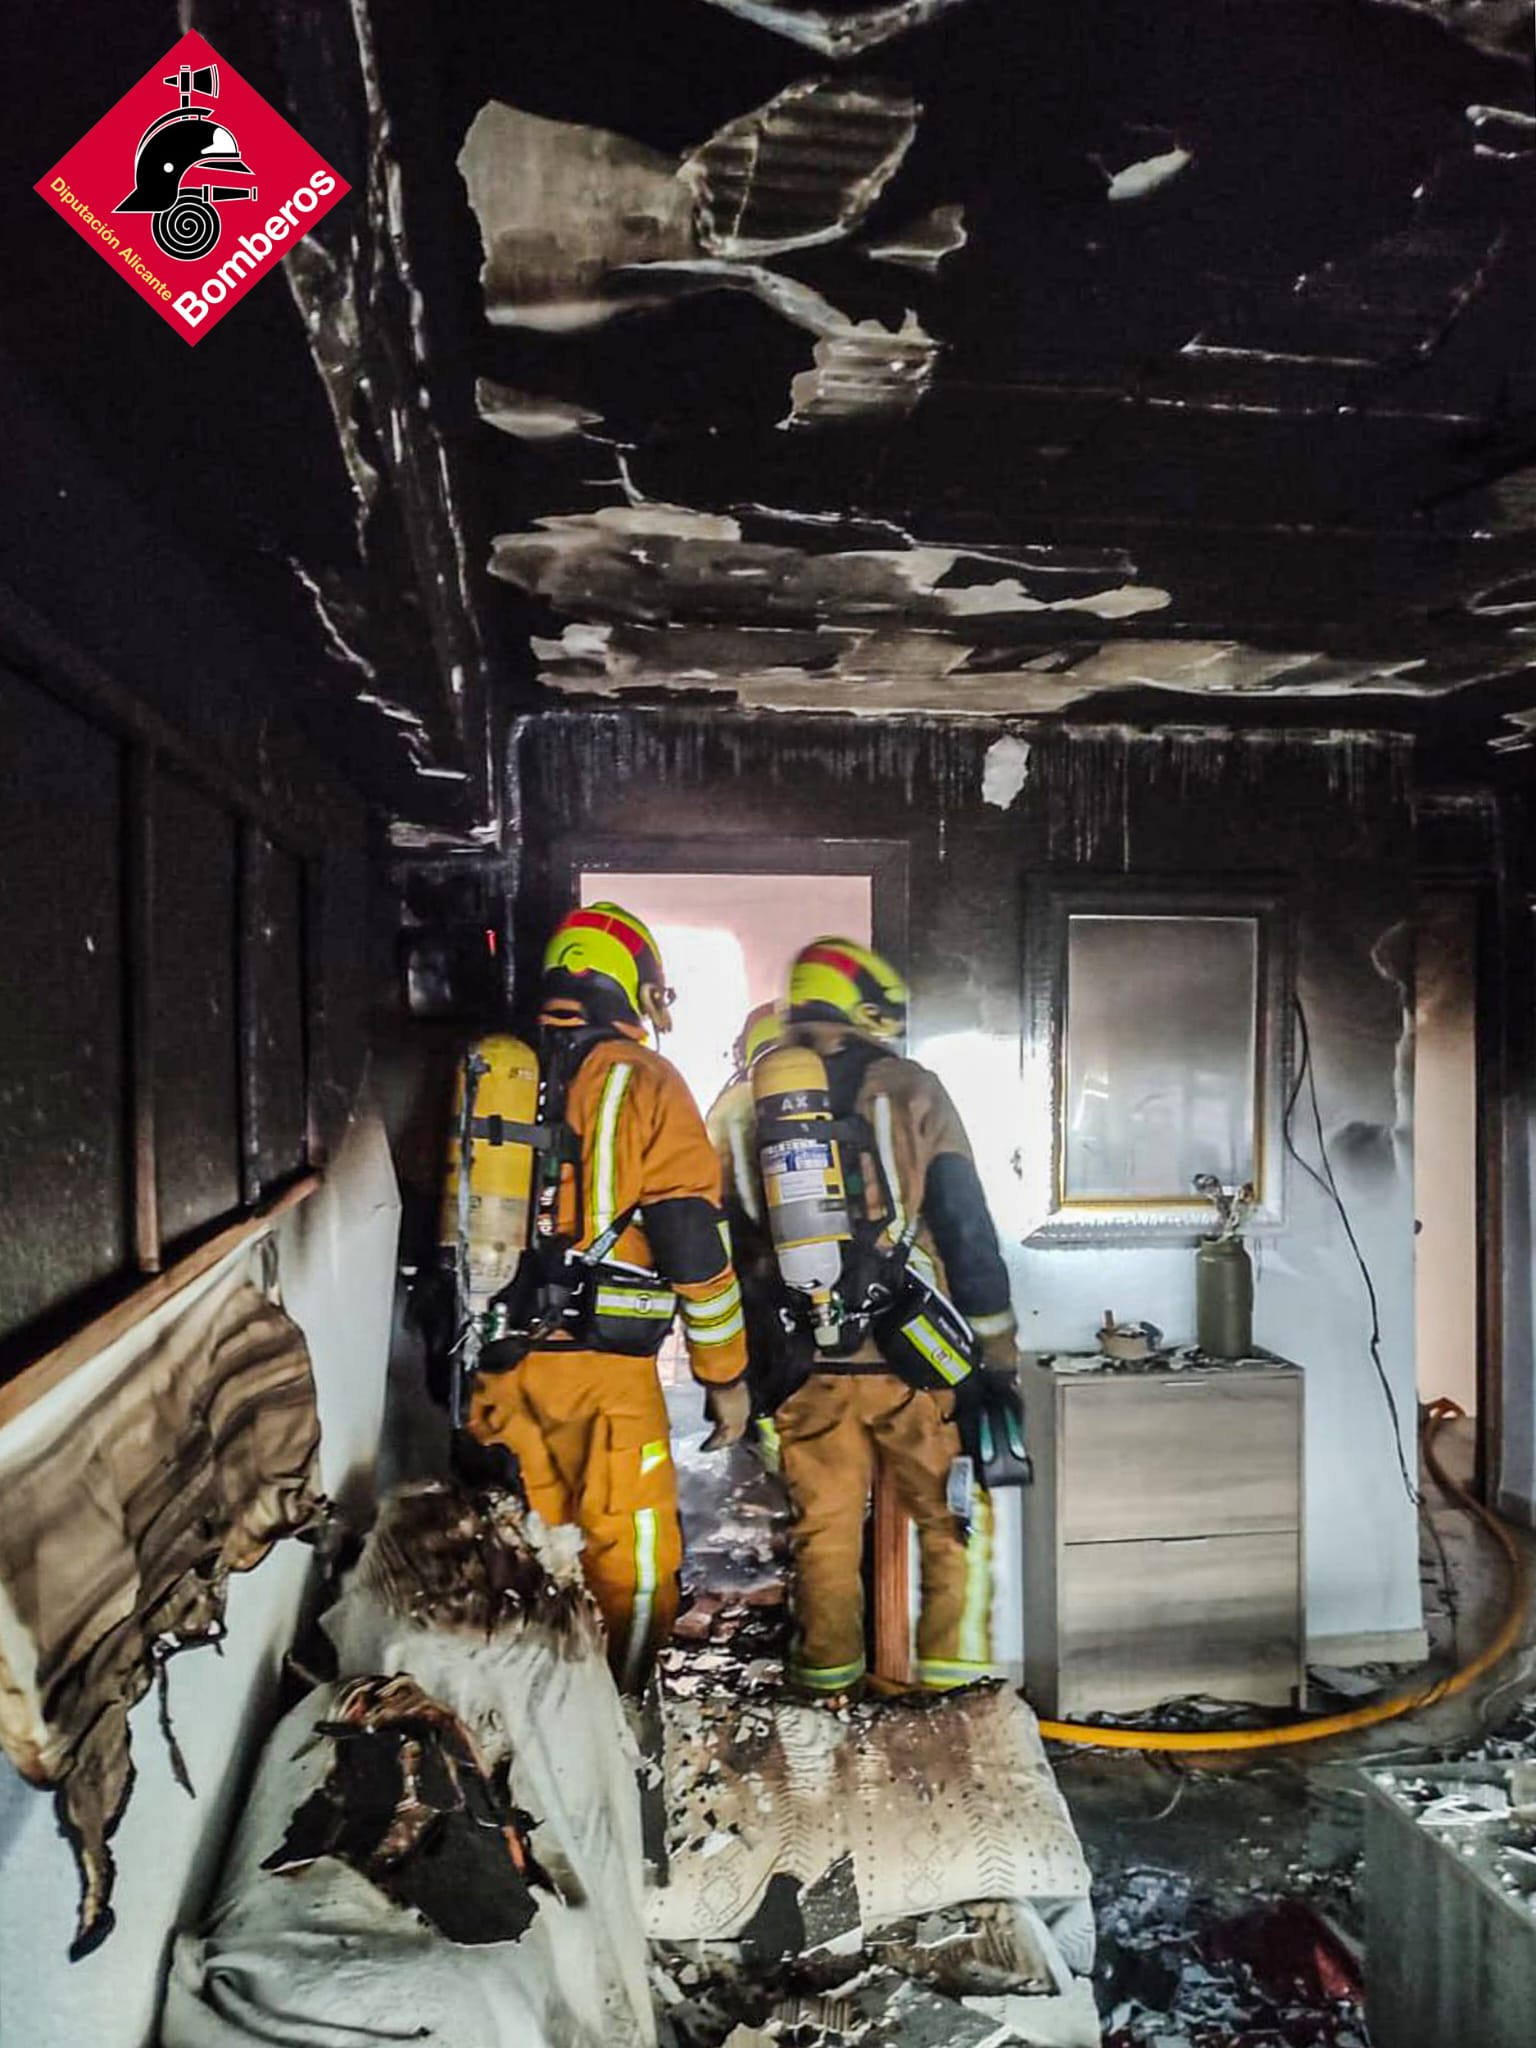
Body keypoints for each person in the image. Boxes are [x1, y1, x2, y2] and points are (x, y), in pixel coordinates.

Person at [465, 903, 750, 1689]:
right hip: (606, 1379)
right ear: (632, 986)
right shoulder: (649, 1080)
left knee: (518, 1556)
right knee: (635, 1558)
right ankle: (620, 1722)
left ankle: (528, 1732)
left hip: (496, 1360)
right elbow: (693, 1241)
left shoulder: (493, 1073)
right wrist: (725, 1376)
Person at [733, 936, 1020, 1700]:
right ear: (872, 1007)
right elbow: (965, 1226)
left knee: (822, 1538)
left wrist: (743, 1376)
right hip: (912, 1365)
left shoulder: (742, 1104)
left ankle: (826, 1704)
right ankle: (957, 1703)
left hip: (804, 1369)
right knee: (955, 1529)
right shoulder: (913, 1089)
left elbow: (721, 1244)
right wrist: (997, 1355)